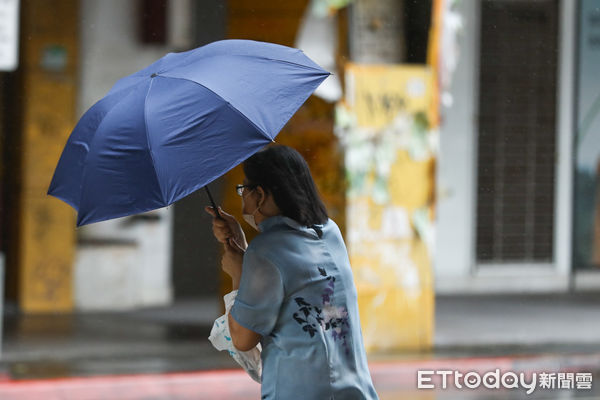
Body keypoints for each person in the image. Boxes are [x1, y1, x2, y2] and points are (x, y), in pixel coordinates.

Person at [205, 145, 379, 400]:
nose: (243, 199)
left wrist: (238, 273)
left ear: (260, 195)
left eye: (244, 190)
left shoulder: (265, 251)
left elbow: (243, 338)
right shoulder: (330, 232)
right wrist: (243, 247)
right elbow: (290, 277)